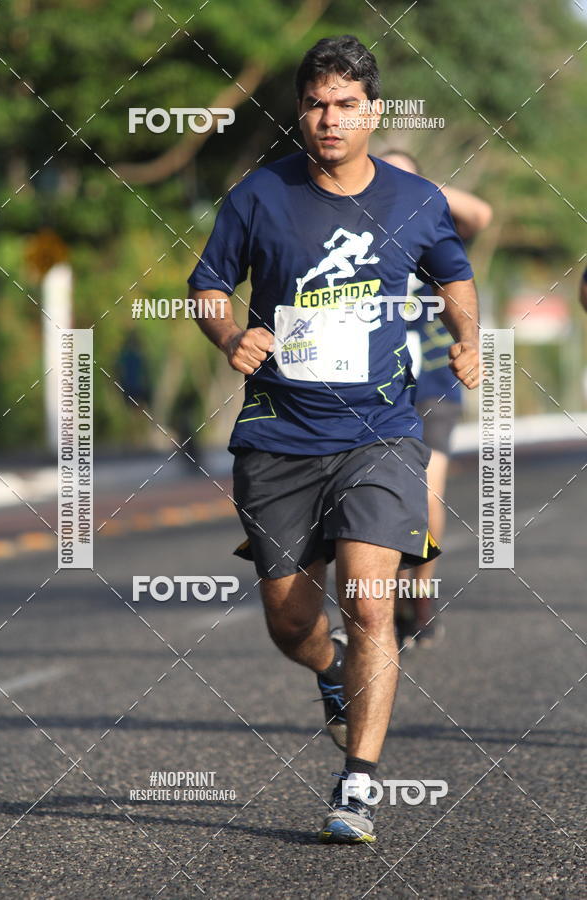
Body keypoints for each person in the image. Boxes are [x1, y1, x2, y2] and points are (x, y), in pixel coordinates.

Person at [189, 35, 479, 845]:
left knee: (370, 600)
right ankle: (329, 673)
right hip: (279, 435)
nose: (330, 118)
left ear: (371, 112)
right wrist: (228, 336)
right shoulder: (259, 195)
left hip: (381, 431)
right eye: (316, 102)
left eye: (346, 104)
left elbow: (455, 275)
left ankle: (358, 785)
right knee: (291, 619)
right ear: (301, 110)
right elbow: (209, 283)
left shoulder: (415, 199)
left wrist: (469, 340)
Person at [382, 150, 492, 648]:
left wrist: (417, 188)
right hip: (372, 385)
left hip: (433, 381)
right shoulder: (360, 224)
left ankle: (420, 595)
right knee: (376, 498)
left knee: (426, 495)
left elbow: (481, 214)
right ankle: (378, 601)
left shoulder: (432, 221)